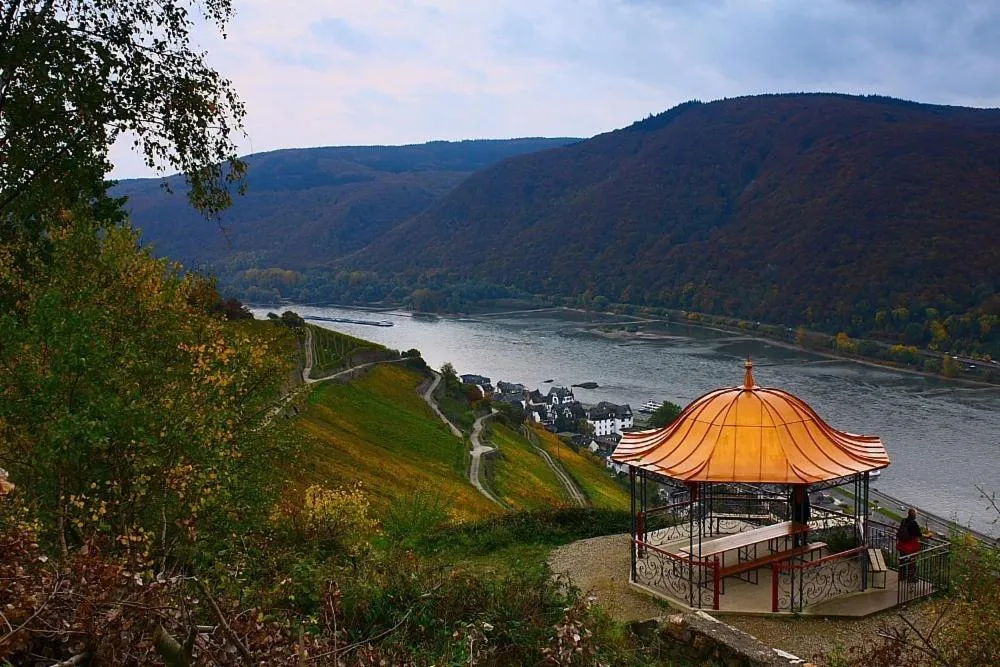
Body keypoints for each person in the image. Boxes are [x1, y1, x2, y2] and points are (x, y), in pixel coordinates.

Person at [896, 508, 922, 582]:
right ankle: (911, 578)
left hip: (901, 545)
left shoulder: (903, 521)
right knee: (912, 562)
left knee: (902, 561)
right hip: (910, 547)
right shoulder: (914, 524)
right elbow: (919, 534)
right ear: (914, 516)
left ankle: (902, 577)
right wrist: (928, 535)